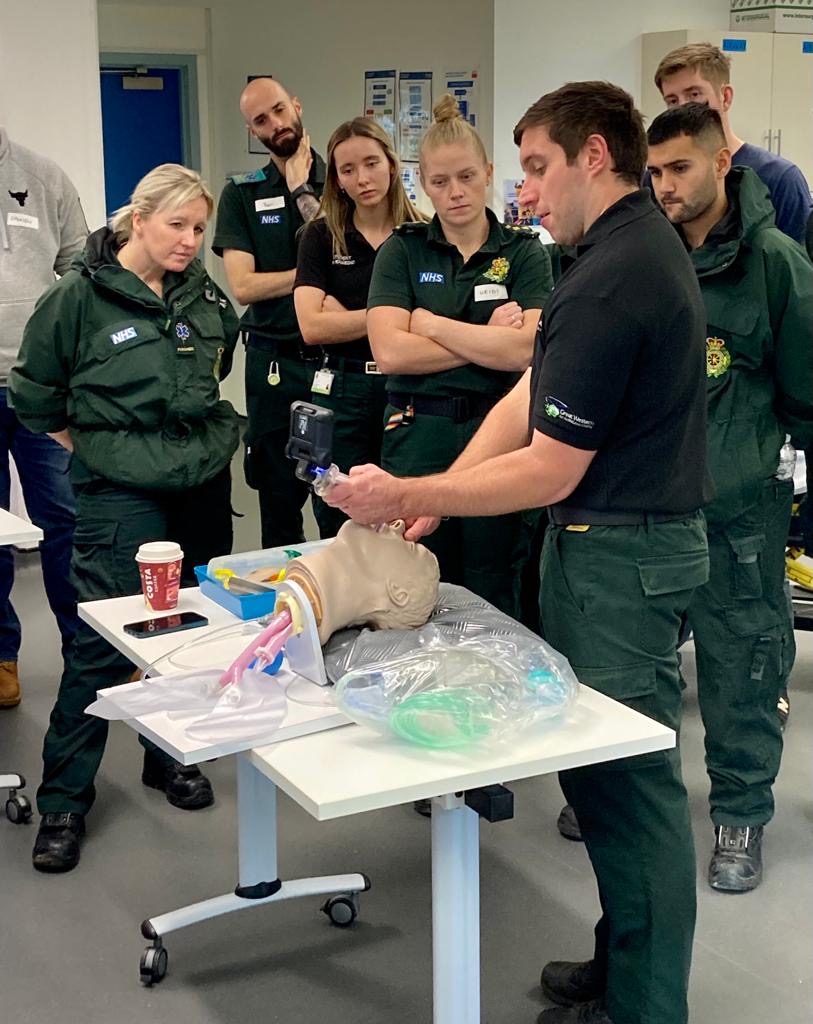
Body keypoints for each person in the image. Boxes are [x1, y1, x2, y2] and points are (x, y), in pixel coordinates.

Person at [324, 81, 710, 1024]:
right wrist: (439, 500)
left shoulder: (621, 273)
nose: (524, 192)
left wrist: (411, 491)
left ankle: (646, 1005)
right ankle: (620, 964)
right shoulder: (595, 258)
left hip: (624, 557)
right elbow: (527, 391)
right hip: (599, 551)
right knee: (601, 782)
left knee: (628, 790)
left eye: (535, 167)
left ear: (592, 156)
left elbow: (547, 465)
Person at [8, 164, 240, 873]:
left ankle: (165, 757)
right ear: (136, 220)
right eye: (176, 225)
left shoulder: (201, 293)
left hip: (198, 479)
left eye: (199, 229)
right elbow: (34, 393)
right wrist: (93, 448)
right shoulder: (78, 297)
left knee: (190, 631)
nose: (190, 241)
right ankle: (64, 801)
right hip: (119, 493)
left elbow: (217, 360)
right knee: (106, 639)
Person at [647, 104, 813, 892]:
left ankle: (740, 811)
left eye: (679, 168)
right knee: (639, 663)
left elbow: (806, 389)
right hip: (647, 506)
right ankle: (631, 799)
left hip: (736, 510)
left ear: (720, 163)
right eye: (653, 172)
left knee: (741, 666)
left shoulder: (774, 260)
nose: (664, 186)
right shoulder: (641, 254)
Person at [365, 94, 552, 620]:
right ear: (422, 182)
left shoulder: (523, 251)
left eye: (467, 177)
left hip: (501, 439)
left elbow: (523, 351)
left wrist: (430, 324)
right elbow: (391, 352)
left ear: (488, 172)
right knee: (416, 587)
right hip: (416, 436)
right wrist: (481, 339)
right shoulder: (403, 251)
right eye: (441, 181)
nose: (456, 193)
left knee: (497, 592)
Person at [294, 117, 426, 539]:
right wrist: (393, 319)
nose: (362, 178)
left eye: (371, 163)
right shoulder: (319, 236)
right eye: (347, 170)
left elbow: (436, 321)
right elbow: (311, 326)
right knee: (341, 512)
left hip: (406, 389)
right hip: (342, 390)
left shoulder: (421, 234)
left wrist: (344, 315)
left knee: (407, 513)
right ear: (335, 179)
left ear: (391, 163)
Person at [213, 77, 326, 549]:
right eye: (261, 120)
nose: (275, 124)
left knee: (342, 502)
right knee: (278, 506)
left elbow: (353, 260)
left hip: (332, 365)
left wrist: (303, 189)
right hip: (272, 368)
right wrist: (313, 276)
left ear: (296, 105)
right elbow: (243, 287)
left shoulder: (342, 179)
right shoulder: (241, 194)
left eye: (279, 110)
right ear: (252, 131)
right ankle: (285, 615)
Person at [0, 127, 86, 707]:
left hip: (38, 386)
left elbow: (82, 270)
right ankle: (2, 657)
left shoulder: (44, 177)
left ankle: (87, 650)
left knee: (66, 521)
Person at [654, 42, 812, 245]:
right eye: (672, 101)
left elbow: (796, 265)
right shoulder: (657, 178)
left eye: (694, 95)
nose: (683, 108)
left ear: (725, 97)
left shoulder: (779, 177)